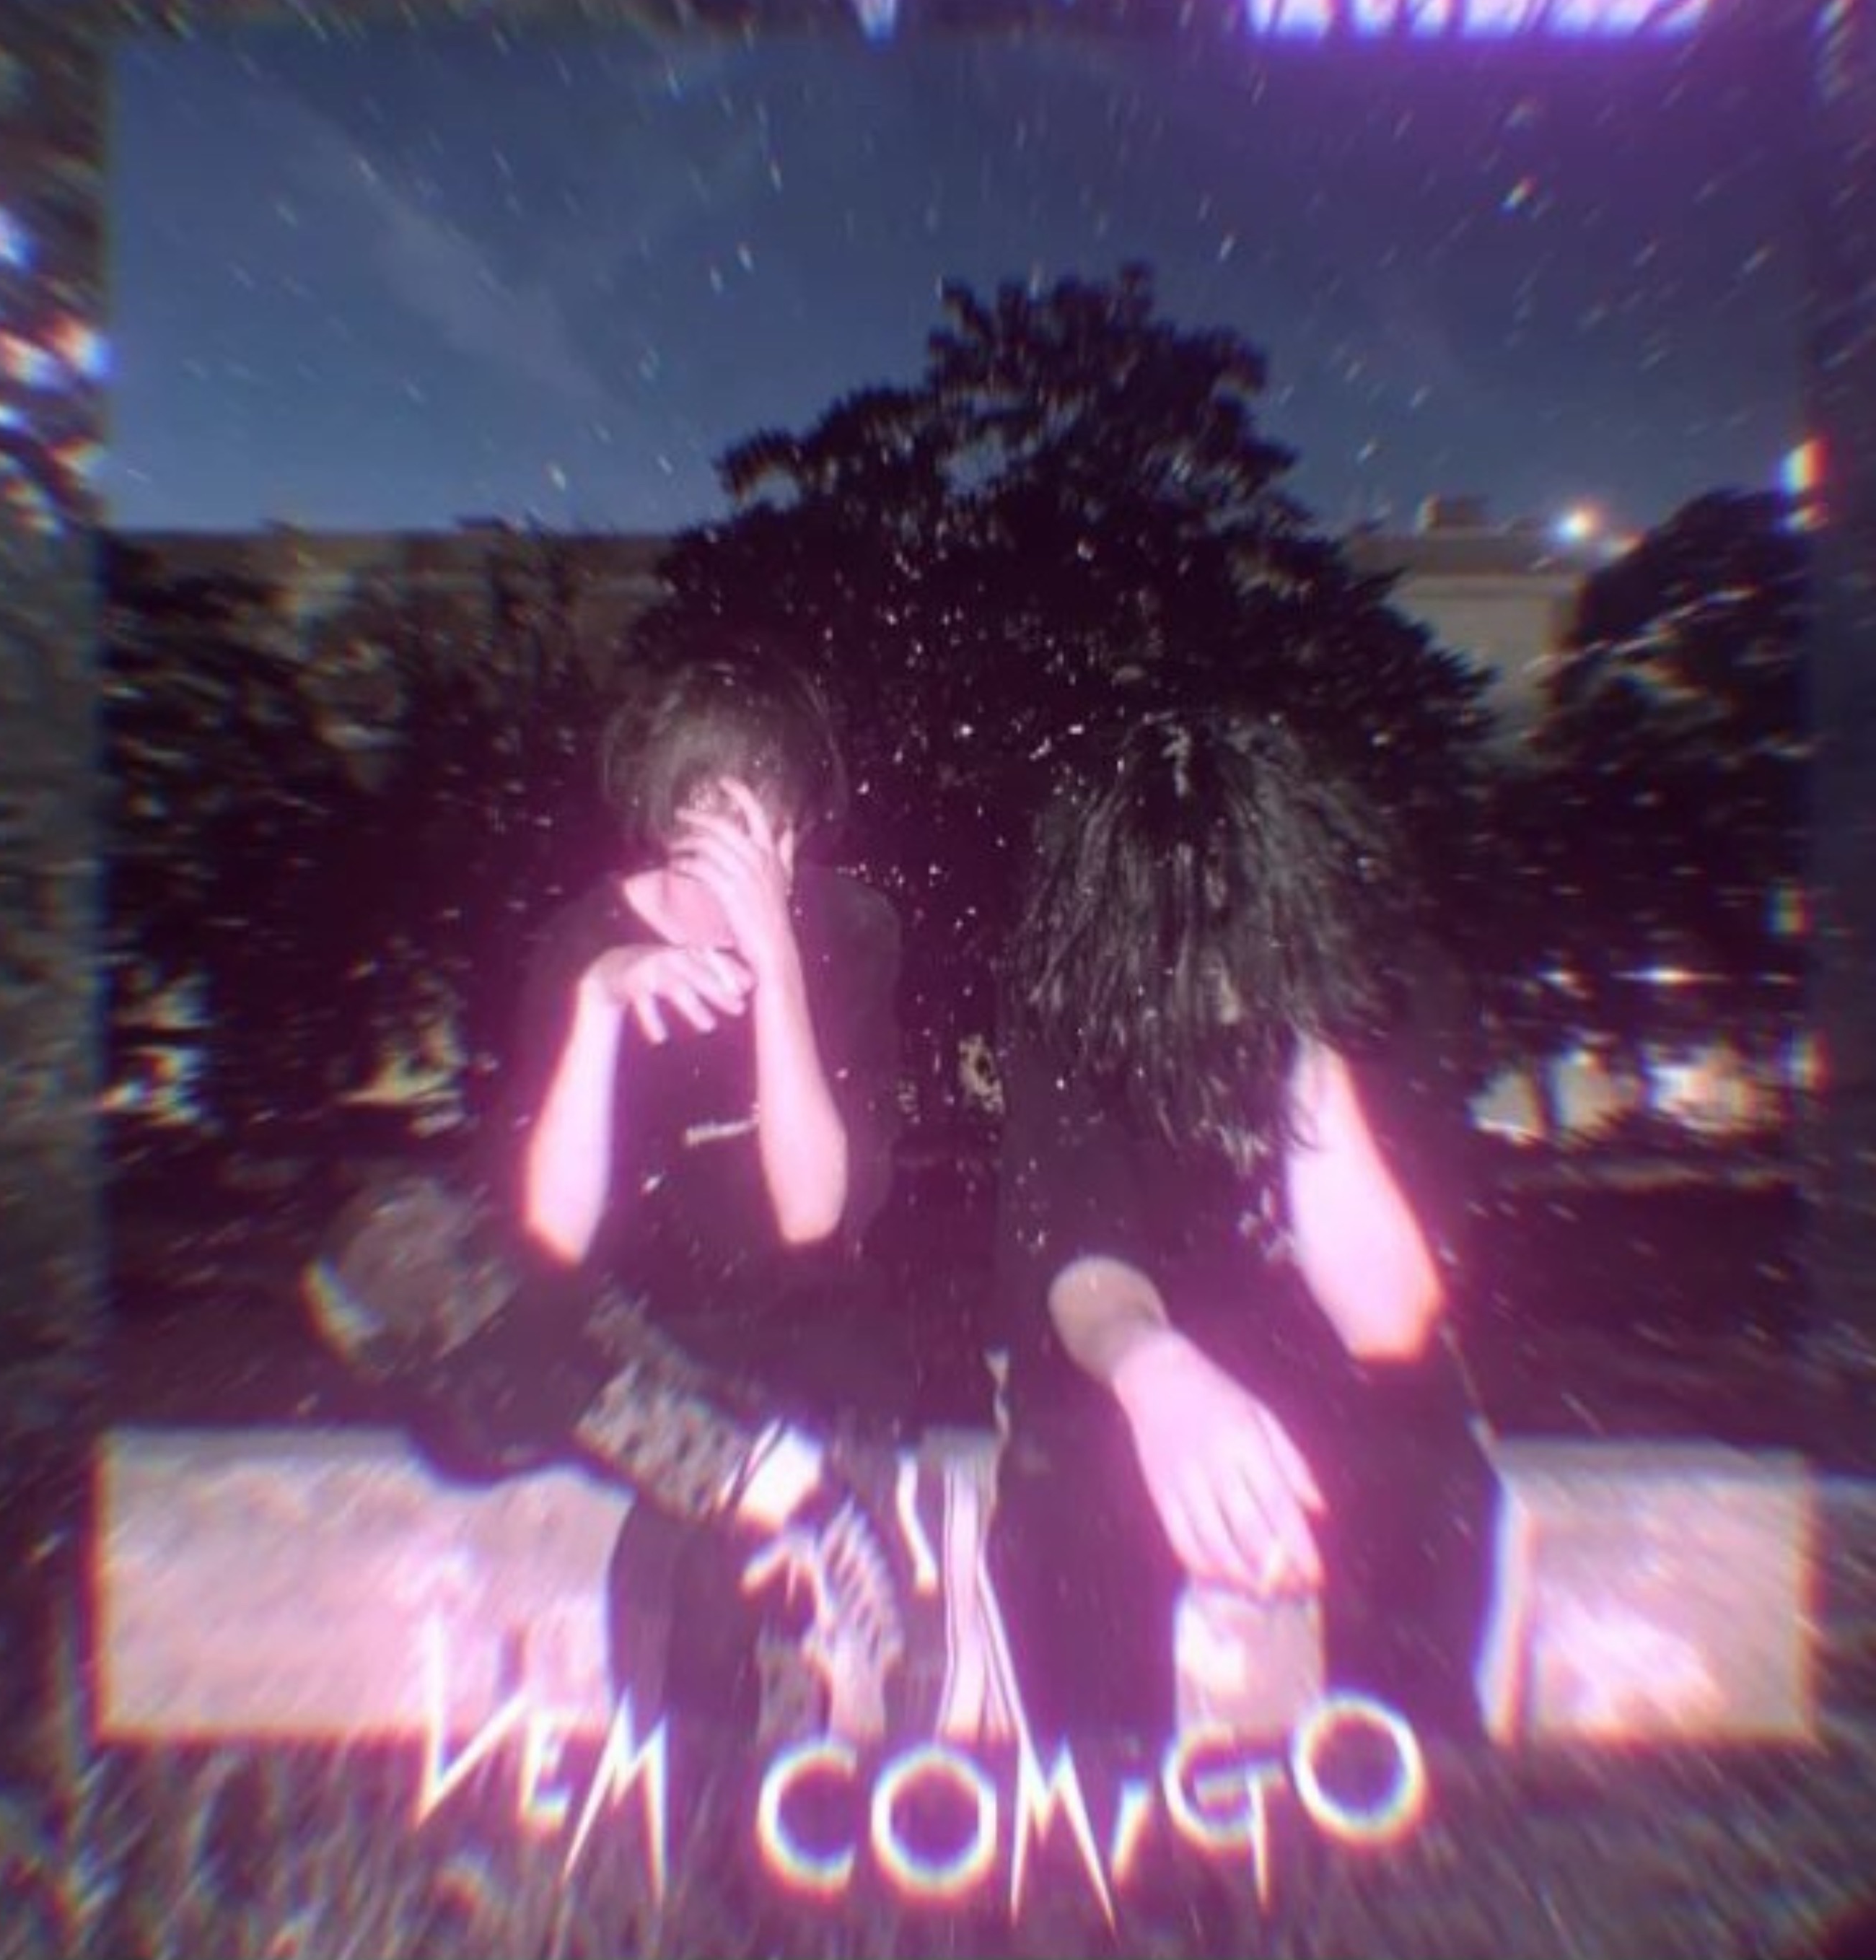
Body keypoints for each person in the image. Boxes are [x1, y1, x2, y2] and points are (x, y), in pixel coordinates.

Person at [305, 643, 919, 1742]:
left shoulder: (848, 933)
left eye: (768, 842)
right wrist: (598, 1006)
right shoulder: (584, 940)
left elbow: (812, 1216)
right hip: (615, 1338)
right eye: (707, 851)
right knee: (379, 1251)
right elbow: (552, 1237)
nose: (738, 884)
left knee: (727, 1597)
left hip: (790, 1333)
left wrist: (778, 964)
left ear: (797, 831)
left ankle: (760, 1506)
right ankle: (743, 1471)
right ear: (657, 825)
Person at [986, 707, 1503, 1749]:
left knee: (1424, 1487)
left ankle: (1398, 1805)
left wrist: (1310, 1036)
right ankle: (1102, 1810)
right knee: (1069, 1500)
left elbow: (1388, 1322)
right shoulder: (1072, 996)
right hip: (1125, 1351)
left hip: (1343, 1368)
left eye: (1227, 930)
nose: (1203, 979)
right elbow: (1081, 1257)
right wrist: (1157, 1372)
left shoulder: (1394, 989)